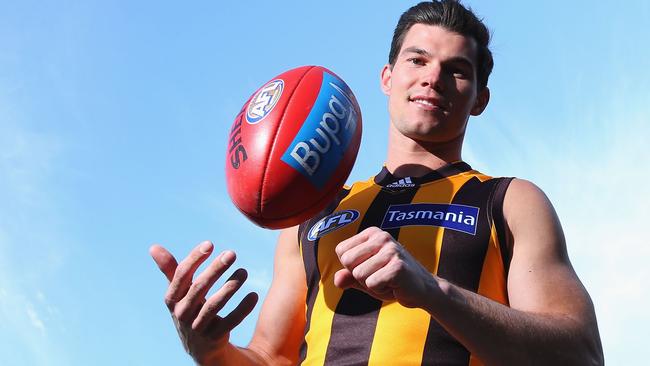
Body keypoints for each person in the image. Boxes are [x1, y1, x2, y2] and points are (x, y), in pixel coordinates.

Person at [150, 1, 604, 365]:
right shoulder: (314, 213)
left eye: (457, 70)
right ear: (388, 78)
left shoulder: (509, 200)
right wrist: (209, 350)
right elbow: (272, 357)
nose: (433, 77)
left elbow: (580, 355)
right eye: (418, 60)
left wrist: (433, 292)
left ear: (479, 99)